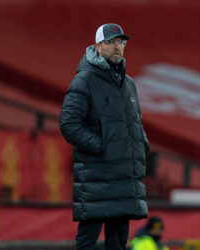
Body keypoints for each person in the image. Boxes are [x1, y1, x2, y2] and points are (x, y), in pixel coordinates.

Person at [59, 23, 150, 250]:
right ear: (98, 47)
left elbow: (136, 123)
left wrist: (141, 146)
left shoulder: (128, 84)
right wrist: (102, 147)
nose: (117, 46)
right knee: (87, 243)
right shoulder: (85, 80)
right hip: (97, 179)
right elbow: (69, 124)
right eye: (111, 42)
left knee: (118, 244)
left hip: (123, 178)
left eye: (121, 42)